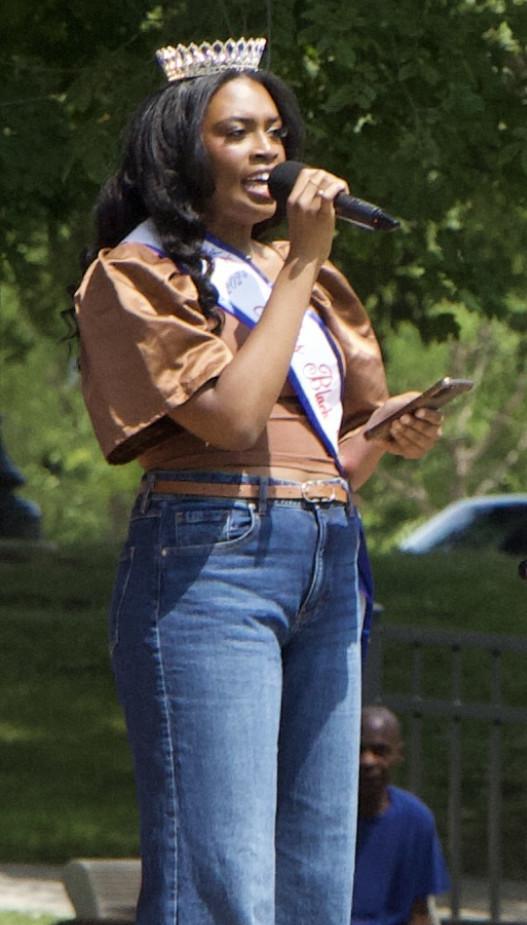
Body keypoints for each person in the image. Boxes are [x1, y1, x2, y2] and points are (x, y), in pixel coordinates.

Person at [74, 36, 443, 925]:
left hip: (323, 549)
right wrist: (307, 259)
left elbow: (334, 447)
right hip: (209, 559)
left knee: (318, 871)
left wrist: (390, 434)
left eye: (275, 132)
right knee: (224, 877)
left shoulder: (292, 275)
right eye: (237, 132)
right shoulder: (138, 273)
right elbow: (235, 419)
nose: (269, 152)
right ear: (182, 151)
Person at [352, 706, 450, 925]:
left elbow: (420, 910)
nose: (367, 761)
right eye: (359, 749)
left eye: (380, 751)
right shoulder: (319, 818)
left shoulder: (416, 820)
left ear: (398, 755)